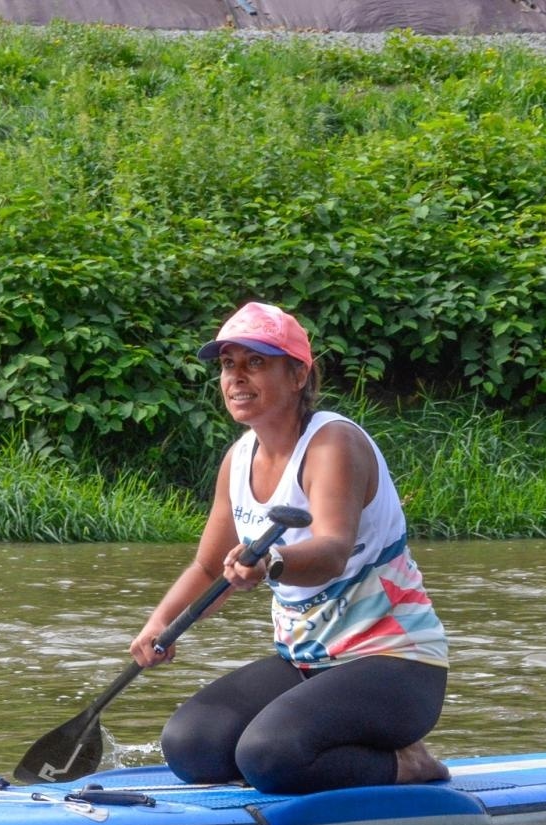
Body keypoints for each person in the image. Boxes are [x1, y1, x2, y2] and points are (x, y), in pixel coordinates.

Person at [128, 302, 450, 795]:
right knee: (190, 746)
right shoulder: (237, 459)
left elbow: (332, 549)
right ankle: (306, 759)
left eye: (255, 362)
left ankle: (408, 765)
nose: (236, 377)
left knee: (268, 755)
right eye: (227, 364)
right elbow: (209, 566)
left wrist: (270, 563)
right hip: (304, 662)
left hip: (396, 665)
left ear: (298, 374)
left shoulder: (333, 443)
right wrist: (160, 625)